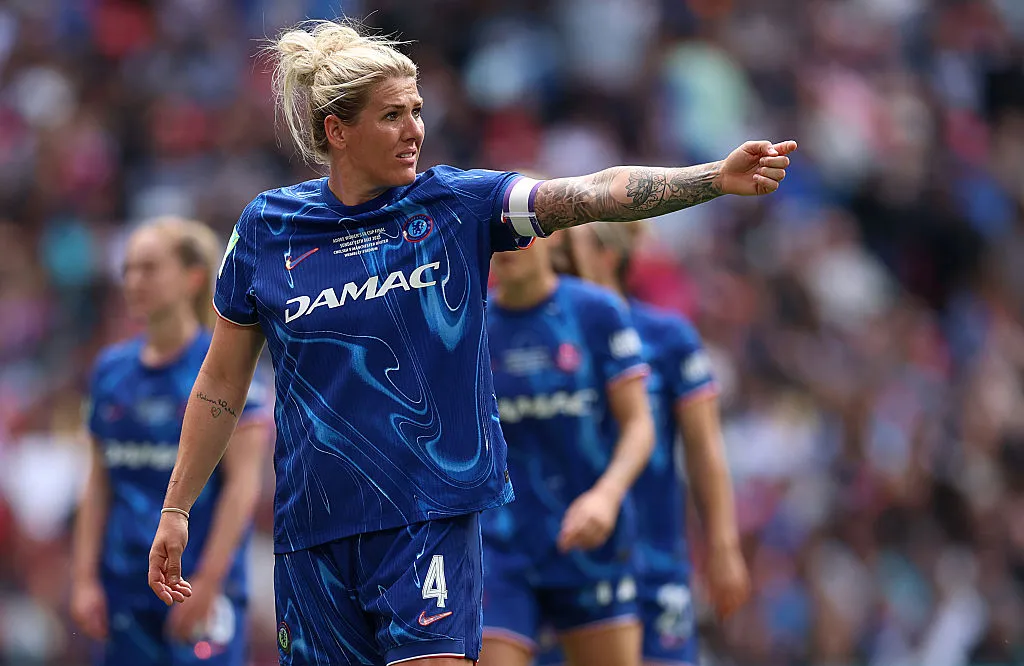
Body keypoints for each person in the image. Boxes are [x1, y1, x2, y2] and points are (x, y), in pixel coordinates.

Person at [144, 18, 795, 666]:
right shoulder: (268, 229)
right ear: (337, 131)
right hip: (312, 534)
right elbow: (221, 384)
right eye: (392, 115)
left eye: (418, 111)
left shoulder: (457, 205)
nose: (414, 130)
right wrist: (177, 506)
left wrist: (713, 176)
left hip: (428, 520)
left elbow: (593, 192)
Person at [71, 217, 271, 666]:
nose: (134, 281)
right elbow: (98, 483)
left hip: (198, 581)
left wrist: (211, 580)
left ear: (193, 277)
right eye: (127, 270)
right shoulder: (109, 370)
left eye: (149, 268)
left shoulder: (222, 370)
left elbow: (242, 487)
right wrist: (84, 579)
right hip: (125, 582)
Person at [557, 222, 750, 665]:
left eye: (569, 249)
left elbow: (703, 449)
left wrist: (722, 547)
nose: (559, 260)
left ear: (609, 256)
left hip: (653, 557)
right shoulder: (546, 337)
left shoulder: (667, 338)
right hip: (571, 561)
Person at [479, 235, 655, 666]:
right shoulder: (469, 324)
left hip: (590, 540)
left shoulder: (595, 313)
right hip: (499, 547)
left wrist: (606, 497)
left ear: (551, 237)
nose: (506, 244)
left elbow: (639, 424)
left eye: (517, 231)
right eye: (493, 232)